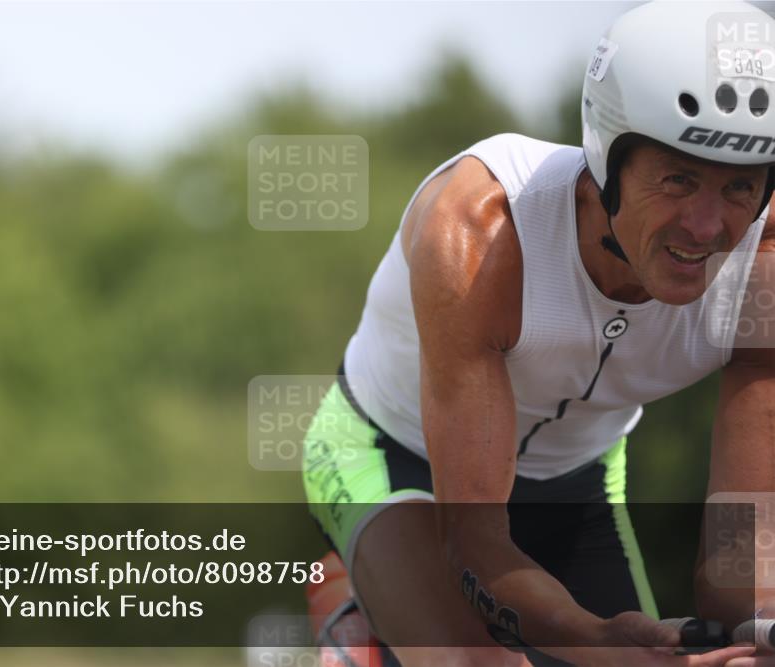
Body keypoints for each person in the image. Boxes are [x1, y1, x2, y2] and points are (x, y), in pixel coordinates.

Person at [302, 1, 775, 666]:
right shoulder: (483, 232)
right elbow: (478, 546)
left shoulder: (767, 266)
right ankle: (364, 625)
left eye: (740, 188)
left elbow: (739, 553)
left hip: (575, 474)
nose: (705, 227)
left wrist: (755, 629)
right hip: (396, 456)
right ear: (609, 157)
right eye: (679, 179)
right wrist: (596, 641)